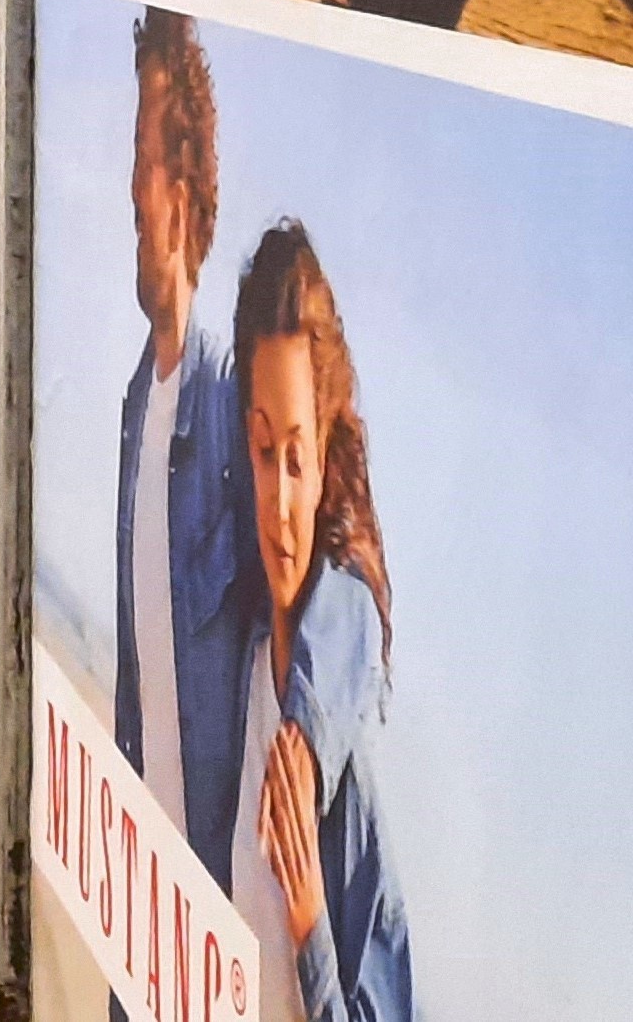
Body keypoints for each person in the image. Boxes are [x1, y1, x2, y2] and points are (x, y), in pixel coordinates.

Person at [228, 221, 411, 1022]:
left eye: (298, 460)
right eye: (264, 451)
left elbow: (350, 611)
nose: (278, 501)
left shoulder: (344, 787)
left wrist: (310, 926)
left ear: (327, 461)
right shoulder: (230, 658)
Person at [111, 9, 255, 892]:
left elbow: (320, 600)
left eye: (146, 157)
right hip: (148, 897)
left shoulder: (233, 406)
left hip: (212, 901)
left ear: (187, 186)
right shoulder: (137, 407)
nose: (132, 190)